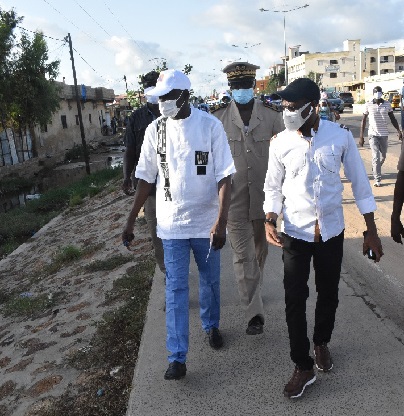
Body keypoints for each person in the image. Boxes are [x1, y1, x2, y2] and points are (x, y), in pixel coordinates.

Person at [263, 78, 384, 399]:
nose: (287, 111)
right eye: (284, 106)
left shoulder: (340, 137)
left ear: (313, 107)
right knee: (294, 298)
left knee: (328, 293)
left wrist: (371, 230)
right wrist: (269, 218)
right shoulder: (280, 143)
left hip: (330, 231)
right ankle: (302, 365)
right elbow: (272, 187)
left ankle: (321, 342)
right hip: (294, 233)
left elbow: (360, 185)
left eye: (293, 106)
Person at [122, 69, 236, 380]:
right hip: (170, 225)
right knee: (175, 288)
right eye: (159, 98)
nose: (163, 103)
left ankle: (211, 325)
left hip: (206, 223)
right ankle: (177, 357)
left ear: (184, 95)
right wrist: (131, 219)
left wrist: (221, 221)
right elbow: (145, 177)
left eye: (168, 97)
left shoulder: (210, 127)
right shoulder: (155, 130)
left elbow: (225, 175)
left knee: (211, 281)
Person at [214, 62, 284, 335]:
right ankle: (254, 314)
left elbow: (285, 150)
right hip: (233, 200)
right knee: (243, 257)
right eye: (236, 86)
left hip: (265, 199)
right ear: (230, 88)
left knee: (259, 253)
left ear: (254, 86)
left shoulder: (271, 116)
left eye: (246, 86)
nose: (241, 90)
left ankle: (254, 290)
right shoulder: (217, 119)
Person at [122, 70, 165, 274]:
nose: (152, 90)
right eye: (148, 86)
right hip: (149, 189)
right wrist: (126, 177)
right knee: (157, 235)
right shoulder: (137, 118)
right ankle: (168, 277)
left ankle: (178, 274)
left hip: (176, 186)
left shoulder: (174, 113)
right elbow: (130, 150)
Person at [359, 85, 402, 187]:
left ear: (382, 93)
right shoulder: (368, 104)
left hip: (384, 134)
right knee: (376, 156)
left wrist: (398, 130)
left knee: (383, 157)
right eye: (375, 92)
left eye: (379, 92)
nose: (377, 93)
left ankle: (376, 167)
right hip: (372, 134)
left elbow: (392, 118)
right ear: (373, 93)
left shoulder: (387, 104)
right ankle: (377, 179)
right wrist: (361, 136)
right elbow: (364, 120)